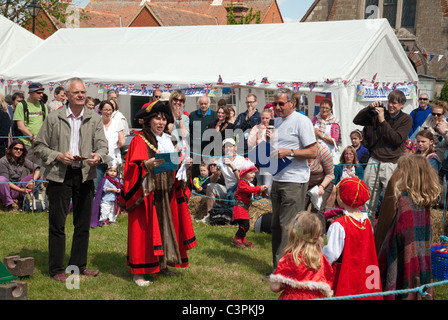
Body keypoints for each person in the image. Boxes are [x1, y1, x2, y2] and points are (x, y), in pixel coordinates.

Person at [34, 77, 108, 282]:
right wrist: (57, 156)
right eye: (77, 92)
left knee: (82, 223)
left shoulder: (94, 118)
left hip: (85, 174)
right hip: (59, 175)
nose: (81, 95)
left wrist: (98, 157)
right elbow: (39, 146)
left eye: (83, 92)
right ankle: (56, 268)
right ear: (66, 95)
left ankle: (78, 265)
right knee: (57, 223)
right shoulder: (54, 117)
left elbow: (103, 146)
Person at [122, 100, 196, 286]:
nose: (161, 122)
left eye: (164, 118)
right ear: (148, 120)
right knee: (145, 231)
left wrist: (184, 167)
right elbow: (132, 167)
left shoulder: (169, 140)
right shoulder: (140, 139)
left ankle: (163, 264)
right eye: (157, 118)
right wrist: (145, 166)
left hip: (167, 191)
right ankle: (139, 273)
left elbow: (174, 165)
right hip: (147, 193)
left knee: (166, 228)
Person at [377, 154, 441, 300]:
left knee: (404, 281)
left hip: (403, 254)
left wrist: (382, 255)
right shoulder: (424, 202)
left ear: (409, 174)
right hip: (419, 255)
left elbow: (396, 234)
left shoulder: (404, 200)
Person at [269, 88, 317, 271]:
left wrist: (288, 152)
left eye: (281, 103)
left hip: (295, 181)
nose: (277, 107)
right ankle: (278, 266)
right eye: (275, 104)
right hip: (278, 177)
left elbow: (313, 151)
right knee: (276, 225)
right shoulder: (279, 121)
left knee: (288, 226)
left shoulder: (302, 121)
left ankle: (284, 270)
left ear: (292, 103)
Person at [353, 90, 412, 216]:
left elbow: (396, 139)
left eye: (394, 103)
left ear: (402, 105)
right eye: (390, 102)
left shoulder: (406, 119)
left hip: (392, 163)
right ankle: (368, 231)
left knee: (390, 201)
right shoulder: (380, 113)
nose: (391, 105)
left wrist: (383, 121)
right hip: (374, 160)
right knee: (368, 200)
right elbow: (356, 120)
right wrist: (369, 108)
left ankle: (387, 233)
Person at [322, 177, 383, 300]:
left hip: (345, 272)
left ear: (342, 198)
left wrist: (320, 262)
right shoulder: (367, 222)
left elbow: (331, 254)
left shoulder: (339, 225)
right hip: (365, 272)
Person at [269, 211, 334, 300]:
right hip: (314, 297)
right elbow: (328, 281)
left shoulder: (290, 259)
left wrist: (281, 282)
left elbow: (275, 287)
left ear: (293, 235)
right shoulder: (321, 259)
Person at [203, 138, 246, 223]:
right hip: (227, 190)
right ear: (223, 149)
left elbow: (242, 182)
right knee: (209, 186)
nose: (228, 148)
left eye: (230, 146)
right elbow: (212, 181)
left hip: (240, 189)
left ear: (235, 148)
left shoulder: (241, 160)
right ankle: (209, 215)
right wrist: (216, 174)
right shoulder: (220, 160)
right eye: (225, 147)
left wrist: (232, 166)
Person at [231, 160, 268, 248]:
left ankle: (242, 241)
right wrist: (259, 187)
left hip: (244, 208)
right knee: (245, 225)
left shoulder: (249, 184)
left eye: (253, 173)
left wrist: (262, 192)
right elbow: (248, 190)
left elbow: (254, 194)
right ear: (244, 174)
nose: (254, 174)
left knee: (243, 225)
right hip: (240, 207)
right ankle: (236, 239)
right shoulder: (242, 183)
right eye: (251, 173)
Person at [13, 82, 49, 165]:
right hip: (26, 144)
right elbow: (20, 126)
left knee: (40, 170)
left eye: (42, 93)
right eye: (38, 93)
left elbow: (46, 124)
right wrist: (33, 138)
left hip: (41, 144)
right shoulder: (21, 105)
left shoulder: (43, 106)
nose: (41, 95)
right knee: (24, 170)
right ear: (31, 93)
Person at [94, 100, 125, 192]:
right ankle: (95, 206)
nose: (108, 112)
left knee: (114, 186)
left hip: (113, 159)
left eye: (110, 110)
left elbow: (122, 139)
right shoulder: (96, 121)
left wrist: (121, 143)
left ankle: (112, 205)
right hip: (99, 158)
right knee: (96, 187)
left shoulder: (117, 122)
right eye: (106, 110)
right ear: (100, 110)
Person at [0, 140, 41, 211]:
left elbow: (37, 169)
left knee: (40, 177)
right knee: (1, 180)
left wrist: (32, 181)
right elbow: (6, 182)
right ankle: (9, 205)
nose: (18, 151)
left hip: (19, 186)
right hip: (8, 189)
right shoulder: (3, 161)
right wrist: (21, 190)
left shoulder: (23, 159)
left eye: (21, 149)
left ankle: (35, 201)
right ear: (10, 149)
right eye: (16, 148)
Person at [305, 136, 334, 233]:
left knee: (317, 208)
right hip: (306, 183)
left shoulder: (323, 152)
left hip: (323, 182)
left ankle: (318, 236)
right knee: (300, 208)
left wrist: (321, 187)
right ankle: (301, 235)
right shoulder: (300, 152)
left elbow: (330, 174)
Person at [189, 96, 217, 179]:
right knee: (196, 169)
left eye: (205, 104)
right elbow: (189, 130)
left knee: (207, 168)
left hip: (209, 148)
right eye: (201, 104)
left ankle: (205, 187)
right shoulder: (193, 115)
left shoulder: (214, 115)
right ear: (199, 104)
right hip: (196, 148)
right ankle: (195, 186)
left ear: (208, 104)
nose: (203, 106)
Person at [247, 109, 275, 187]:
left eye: (267, 118)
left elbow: (275, 145)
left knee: (267, 184)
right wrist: (258, 132)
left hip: (269, 160)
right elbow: (249, 143)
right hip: (257, 160)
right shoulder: (256, 128)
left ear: (271, 118)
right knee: (260, 184)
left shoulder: (274, 129)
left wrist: (272, 137)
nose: (264, 120)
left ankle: (267, 198)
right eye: (263, 118)